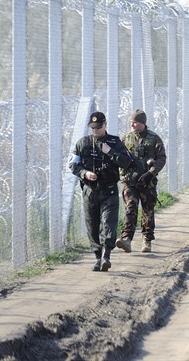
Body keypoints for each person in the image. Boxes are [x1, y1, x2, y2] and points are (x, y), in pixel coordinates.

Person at [69, 111, 133, 272]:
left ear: (105, 125)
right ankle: (97, 257)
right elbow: (73, 165)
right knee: (92, 224)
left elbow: (126, 162)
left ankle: (107, 255)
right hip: (90, 191)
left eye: (98, 127)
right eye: (92, 128)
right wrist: (85, 174)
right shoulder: (82, 143)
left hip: (109, 190)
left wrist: (109, 152)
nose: (95, 131)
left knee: (108, 223)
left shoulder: (114, 142)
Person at [118, 109, 167, 253]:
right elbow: (118, 158)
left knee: (148, 209)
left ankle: (147, 239)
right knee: (131, 206)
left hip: (147, 181)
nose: (132, 125)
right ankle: (126, 238)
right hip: (130, 181)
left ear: (143, 123)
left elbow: (161, 158)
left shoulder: (153, 138)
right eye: (131, 122)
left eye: (136, 122)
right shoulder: (125, 139)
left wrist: (150, 174)